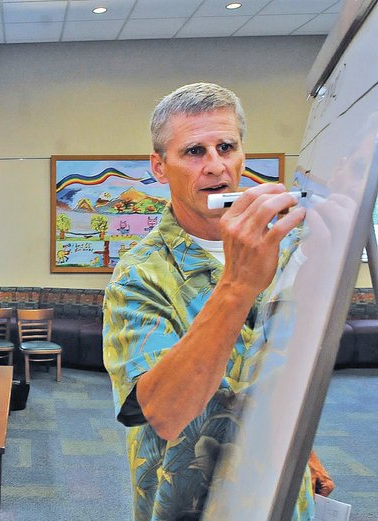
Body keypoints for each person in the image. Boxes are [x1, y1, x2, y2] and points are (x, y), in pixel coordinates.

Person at [103, 83, 324, 520]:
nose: (215, 166)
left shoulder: (286, 244)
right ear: (160, 167)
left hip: (282, 491)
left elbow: (279, 365)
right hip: (190, 505)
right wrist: (237, 287)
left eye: (226, 147)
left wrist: (307, 452)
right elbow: (164, 413)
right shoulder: (138, 275)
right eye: (194, 152)